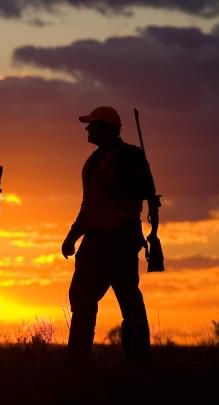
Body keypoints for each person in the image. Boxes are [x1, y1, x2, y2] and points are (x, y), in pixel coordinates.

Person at [61, 106, 159, 365]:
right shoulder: (92, 162)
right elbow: (90, 204)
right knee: (82, 301)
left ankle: (138, 360)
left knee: (128, 301)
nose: (87, 129)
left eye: (92, 125)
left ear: (106, 128)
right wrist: (73, 235)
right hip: (94, 241)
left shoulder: (130, 158)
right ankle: (77, 362)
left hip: (120, 240)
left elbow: (143, 195)